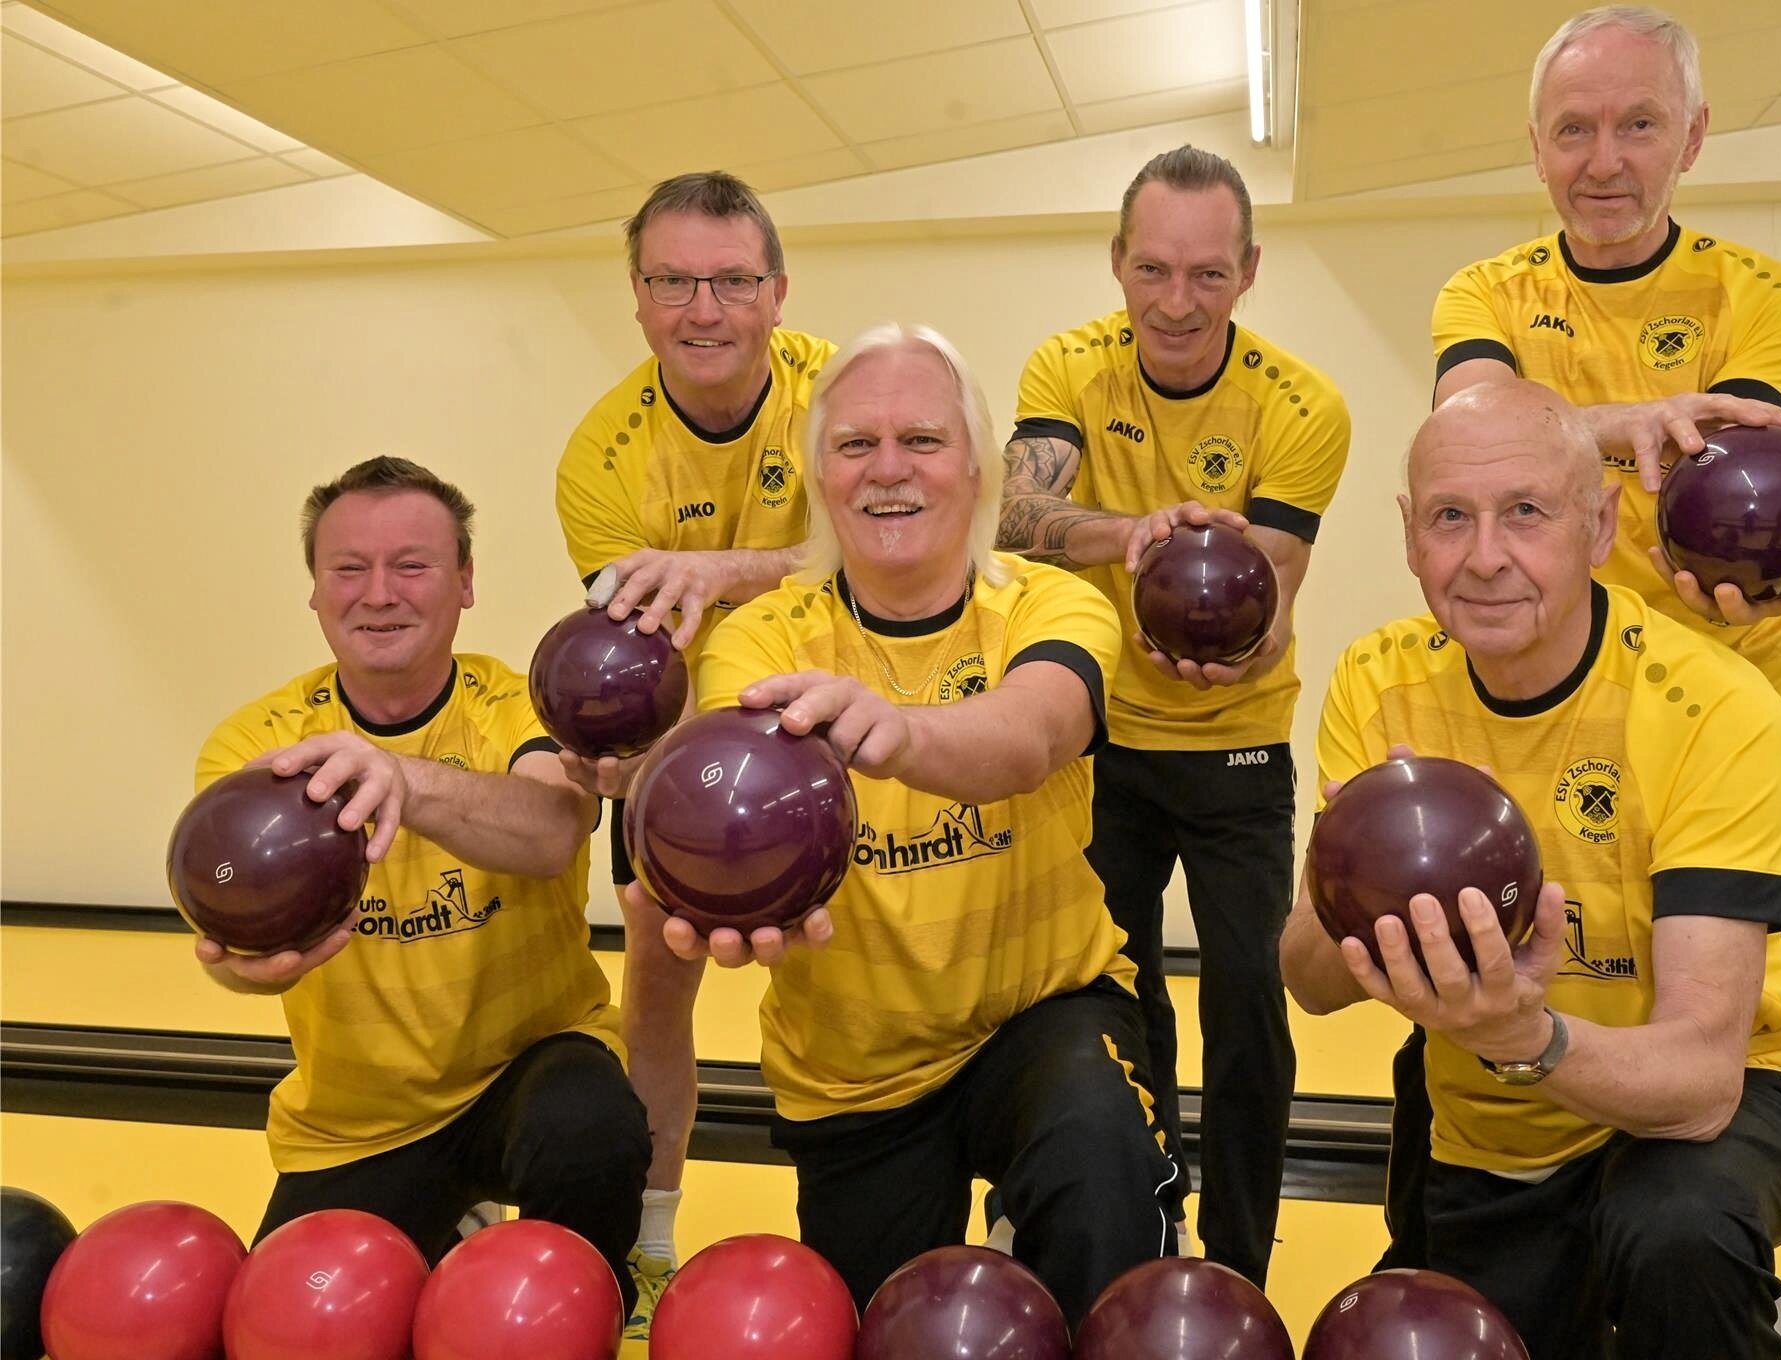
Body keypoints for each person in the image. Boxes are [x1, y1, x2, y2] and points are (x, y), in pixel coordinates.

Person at [1420, 9, 1781, 1354]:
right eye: (1575, 129)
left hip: (1741, 724)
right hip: (1536, 728)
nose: (1606, 159)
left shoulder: (1757, 291)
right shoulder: (1485, 295)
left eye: (1637, 126)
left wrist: (1737, 533)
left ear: (1692, 137)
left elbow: (1725, 487)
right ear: (1535, 147)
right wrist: (1617, 431)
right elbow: (1466, 429)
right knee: (1467, 1014)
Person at [1281, 382, 1781, 1359]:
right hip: (1493, 1127)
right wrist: (1363, 896)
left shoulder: (1712, 701)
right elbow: (1309, 979)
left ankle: (1756, 1330)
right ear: (1411, 535)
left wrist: (1522, 1033)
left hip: (1724, 1097)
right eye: (1451, 517)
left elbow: (1704, 1077)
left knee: (1676, 1239)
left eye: (1527, 513)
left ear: (1599, 527)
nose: (1486, 557)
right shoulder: (1380, 680)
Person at [631, 324, 1178, 1322]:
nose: (889, 470)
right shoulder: (761, 637)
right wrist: (715, 882)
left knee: (1104, 1184)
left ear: (976, 469)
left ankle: (1056, 1228)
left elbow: (1031, 733)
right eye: (855, 444)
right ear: (822, 477)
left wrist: (894, 732)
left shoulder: (1048, 602)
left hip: (1043, 1009)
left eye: (921, 441)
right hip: (854, 1065)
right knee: (889, 1322)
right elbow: (729, 807)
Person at [995, 145, 1351, 1283]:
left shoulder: (1303, 405)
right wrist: (1132, 535)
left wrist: (1242, 635)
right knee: (1118, 986)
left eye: (1207, 274)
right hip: (1098, 740)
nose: (1177, 301)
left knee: (1251, 1003)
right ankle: (1152, 1226)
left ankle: (1239, 1263)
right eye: (1154, 270)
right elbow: (1016, 514)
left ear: (1249, 270)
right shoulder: (1066, 366)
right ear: (1118, 263)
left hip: (1236, 744)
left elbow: (1278, 590)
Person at [192, 456, 648, 1307]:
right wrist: (245, 969)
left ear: (465, 582)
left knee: (590, 1125)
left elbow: (552, 831)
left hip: (528, 1072)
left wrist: (399, 777)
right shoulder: (256, 746)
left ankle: (585, 1302)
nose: (378, 593)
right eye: (349, 569)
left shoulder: (521, 706)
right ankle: (452, 1222)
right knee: (289, 1321)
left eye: (411, 565)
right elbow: (225, 940)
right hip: (357, 1123)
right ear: (315, 591)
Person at [553, 170, 835, 1331]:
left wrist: (726, 570)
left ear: (776, 290)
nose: (702, 308)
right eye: (673, 281)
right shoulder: (600, 458)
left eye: (729, 281)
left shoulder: (838, 394)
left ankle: (897, 1227)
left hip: (836, 721)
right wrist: (624, 758)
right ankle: (652, 1241)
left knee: (850, 980)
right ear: (637, 296)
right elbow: (635, 657)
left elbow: (895, 557)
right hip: (685, 745)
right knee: (655, 983)